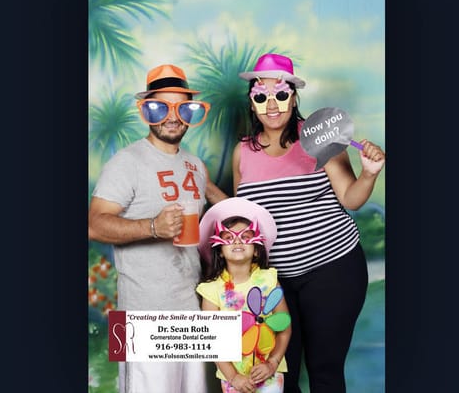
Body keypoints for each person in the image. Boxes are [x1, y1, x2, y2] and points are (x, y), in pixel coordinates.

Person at [232, 53, 386, 393]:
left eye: (280, 94)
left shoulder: (320, 137)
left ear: (294, 97)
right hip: (275, 283)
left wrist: (369, 174)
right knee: (279, 375)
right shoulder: (242, 152)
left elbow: (350, 198)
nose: (272, 104)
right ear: (252, 103)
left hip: (332, 269)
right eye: (261, 96)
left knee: (324, 371)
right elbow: (243, 219)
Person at [88, 63, 227, 393]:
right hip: (142, 314)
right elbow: (93, 225)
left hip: (192, 312)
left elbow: (222, 208)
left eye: (182, 108)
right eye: (160, 107)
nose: (172, 117)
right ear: (146, 111)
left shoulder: (195, 165)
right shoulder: (126, 162)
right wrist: (153, 227)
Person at [196, 197, 291, 393]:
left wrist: (272, 363)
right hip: (234, 379)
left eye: (246, 237)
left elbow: (285, 327)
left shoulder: (269, 280)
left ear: (256, 251)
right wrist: (233, 377)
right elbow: (212, 340)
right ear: (220, 252)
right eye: (229, 238)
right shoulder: (212, 290)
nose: (238, 241)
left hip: (269, 374)